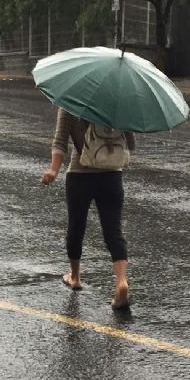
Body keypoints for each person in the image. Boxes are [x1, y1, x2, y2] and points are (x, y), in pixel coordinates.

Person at [41, 107, 135, 309]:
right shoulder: (116, 103)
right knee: (113, 230)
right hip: (111, 175)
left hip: (79, 174)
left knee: (76, 227)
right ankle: (121, 282)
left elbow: (60, 142)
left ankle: (75, 277)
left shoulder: (70, 102)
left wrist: (53, 170)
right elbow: (131, 143)